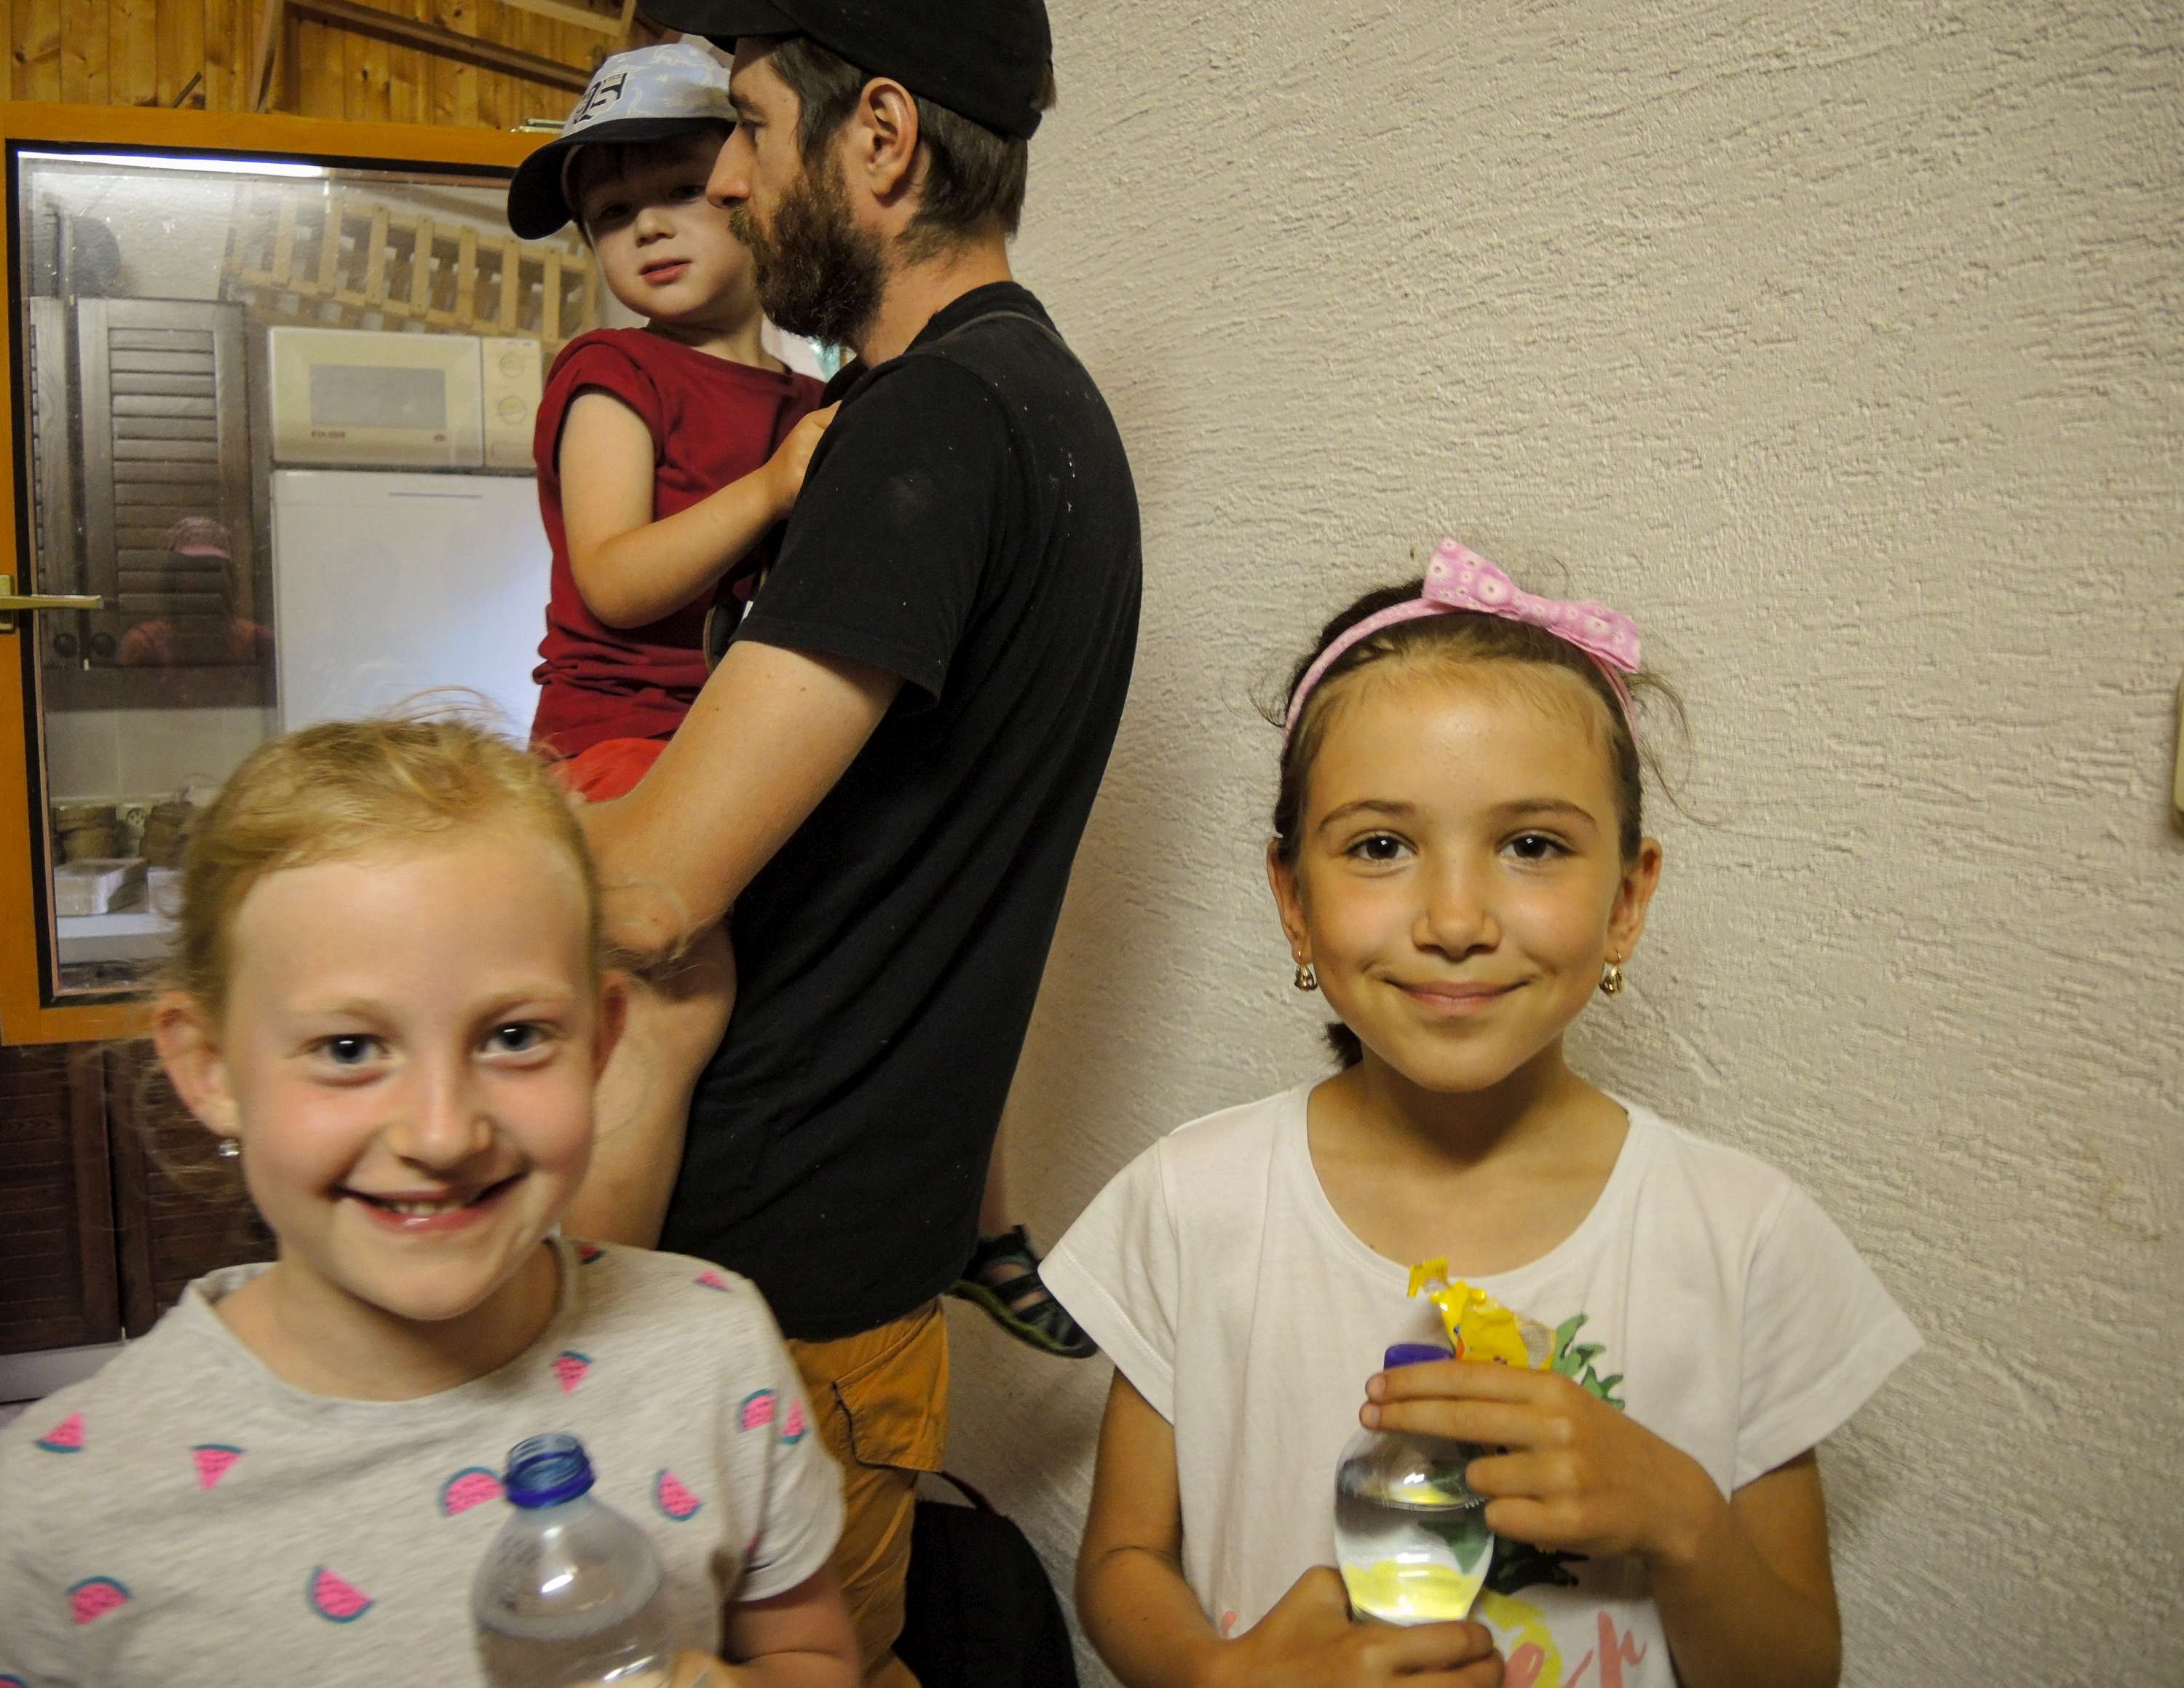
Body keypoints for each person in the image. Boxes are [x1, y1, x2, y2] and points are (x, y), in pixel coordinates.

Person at [1045, 542, 1923, 1688]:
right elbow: (1121, 1560)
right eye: (1381, 846)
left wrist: (1682, 1515)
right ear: (1293, 901)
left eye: (1531, 845)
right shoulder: (1192, 1202)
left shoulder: (1744, 1240)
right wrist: (1219, 1675)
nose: (1456, 920)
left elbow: (1796, 1669)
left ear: (1627, 899)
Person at [585, 1, 1141, 1679]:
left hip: (779, 1280)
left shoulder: (935, 424)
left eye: (752, 128)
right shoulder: (1041, 409)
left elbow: (653, 891)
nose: (727, 181)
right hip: (854, 1259)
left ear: (881, 139)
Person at [0, 717, 858, 1688]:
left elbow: (810, 1653)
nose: (444, 1135)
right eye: (349, 1049)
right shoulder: (55, 1511)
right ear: (210, 1068)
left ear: (601, 1041)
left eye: (515, 1035)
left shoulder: (716, 1350)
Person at [506, 42, 835, 1245]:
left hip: (732, 739)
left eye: (680, 190)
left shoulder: (811, 400)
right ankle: (598, 1289)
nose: (645, 226)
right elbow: (614, 575)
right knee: (671, 986)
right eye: (610, 214)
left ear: (750, 179)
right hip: (619, 738)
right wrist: (771, 491)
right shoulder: (613, 372)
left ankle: (981, 1233)